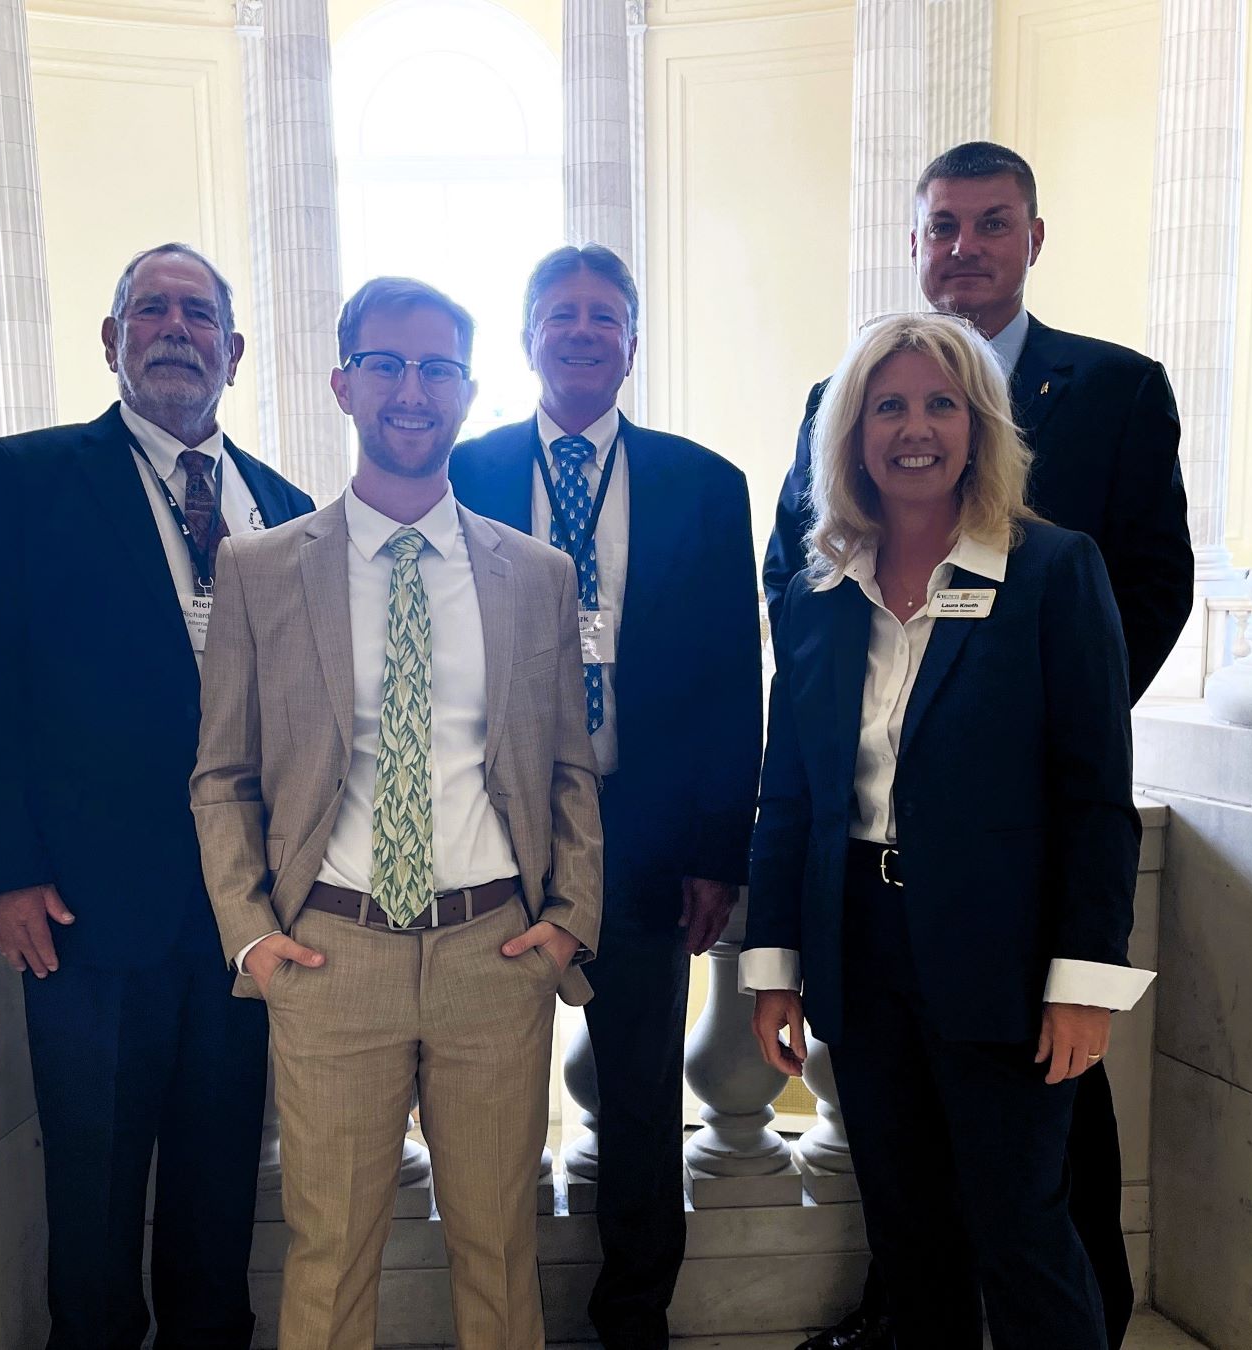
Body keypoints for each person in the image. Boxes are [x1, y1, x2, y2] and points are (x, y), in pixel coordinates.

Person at [764, 141, 1189, 1350]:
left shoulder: (1055, 573)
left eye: (942, 404)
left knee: (1023, 1228)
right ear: (848, 433)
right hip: (863, 943)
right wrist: (773, 965)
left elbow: (1091, 793)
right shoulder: (822, 590)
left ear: (978, 425)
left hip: (1003, 950)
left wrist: (1086, 984)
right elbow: (789, 791)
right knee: (909, 1231)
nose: (915, 427)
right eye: (888, 405)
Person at [191, 276, 604, 1350]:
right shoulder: (261, 570)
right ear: (344, 383)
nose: (410, 390)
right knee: (327, 1259)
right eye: (386, 364)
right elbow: (222, 775)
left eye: (436, 368)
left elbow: (569, 765)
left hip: (492, 953)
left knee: (501, 1251)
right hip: (331, 957)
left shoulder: (538, 576)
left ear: (468, 392)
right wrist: (255, 938)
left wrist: (566, 921)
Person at [0, 244, 316, 1350]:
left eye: (198, 314)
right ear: (110, 341)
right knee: (96, 1198)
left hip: (246, 923)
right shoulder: (28, 477)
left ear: (234, 352)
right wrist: (2, 870)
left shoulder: (286, 508)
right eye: (148, 309)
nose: (173, 328)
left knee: (216, 1193)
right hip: (84, 919)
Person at [448, 245, 760, 1350]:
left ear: (633, 340)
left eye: (605, 316)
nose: (582, 333)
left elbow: (734, 677)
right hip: (488, 839)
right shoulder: (461, 470)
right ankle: (501, 1321)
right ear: (528, 336)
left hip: (646, 843)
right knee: (486, 1106)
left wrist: (720, 852)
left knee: (639, 1100)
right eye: (560, 315)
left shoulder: (706, 484)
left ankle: (635, 1320)